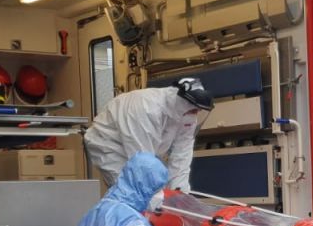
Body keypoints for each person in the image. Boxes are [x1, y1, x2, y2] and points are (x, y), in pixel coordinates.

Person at [84, 78, 215, 203]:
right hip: (110, 144)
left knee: (156, 194)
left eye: (199, 110)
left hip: (142, 150)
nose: (196, 113)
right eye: (194, 109)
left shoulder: (186, 114)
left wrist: (180, 195)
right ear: (183, 102)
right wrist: (157, 202)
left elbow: (182, 155)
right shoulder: (147, 108)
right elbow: (142, 163)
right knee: (131, 193)